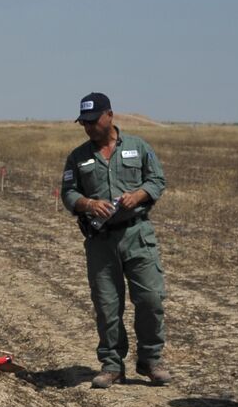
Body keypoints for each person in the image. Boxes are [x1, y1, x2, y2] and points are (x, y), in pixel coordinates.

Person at [59, 93, 170, 389]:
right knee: (107, 305)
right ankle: (111, 364)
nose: (89, 128)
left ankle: (150, 360)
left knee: (150, 298)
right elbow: (68, 192)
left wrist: (139, 195)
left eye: (94, 121)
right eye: (84, 123)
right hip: (100, 241)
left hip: (137, 235)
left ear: (110, 116)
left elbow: (157, 180)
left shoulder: (138, 147)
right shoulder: (78, 156)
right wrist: (87, 204)